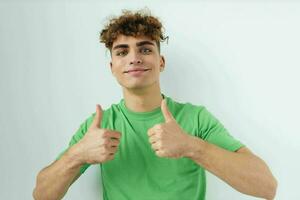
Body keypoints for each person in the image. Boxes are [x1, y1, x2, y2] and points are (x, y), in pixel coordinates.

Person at [33, 9, 277, 200]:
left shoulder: (196, 118)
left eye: (145, 49)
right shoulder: (99, 126)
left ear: (161, 62)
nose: (134, 58)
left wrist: (192, 147)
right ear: (112, 68)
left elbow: (266, 186)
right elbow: (42, 195)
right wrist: (77, 155)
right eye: (121, 52)